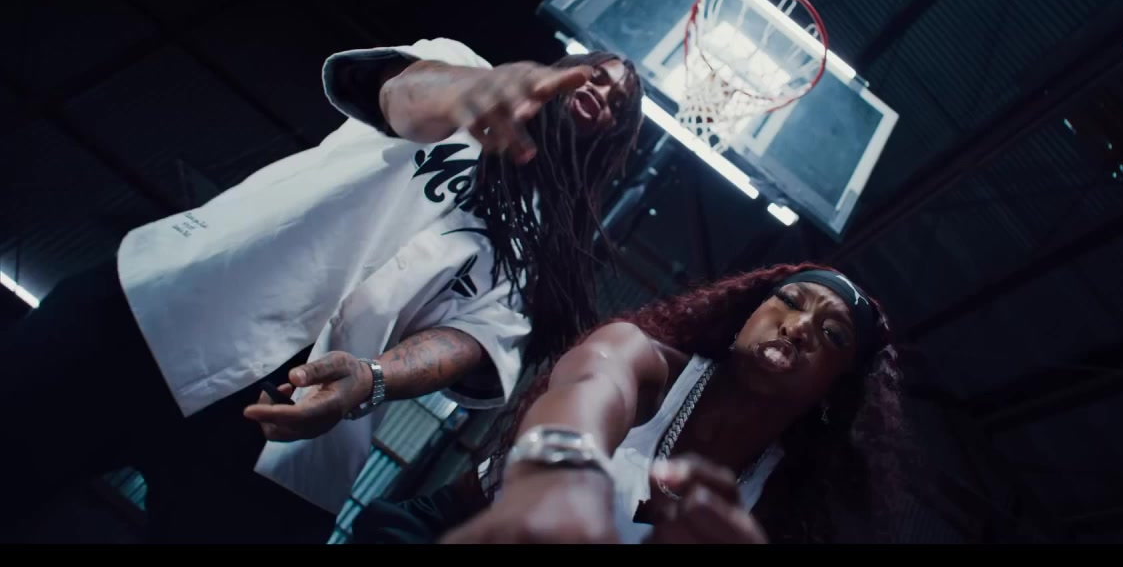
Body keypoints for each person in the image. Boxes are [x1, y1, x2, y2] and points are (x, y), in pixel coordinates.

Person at [0, 37, 641, 544]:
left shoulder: (542, 249)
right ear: (563, 70)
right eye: (596, 73)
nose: (601, 90)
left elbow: (471, 337)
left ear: (613, 138)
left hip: (302, 427)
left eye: (617, 98)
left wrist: (373, 378)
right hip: (172, 312)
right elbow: (402, 93)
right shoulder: (459, 70)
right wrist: (473, 89)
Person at [391, 262, 907, 544]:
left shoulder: (780, 502)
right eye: (790, 302)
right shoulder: (644, 360)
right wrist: (560, 476)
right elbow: (590, 386)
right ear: (746, 318)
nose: (797, 327)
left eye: (832, 333)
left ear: (834, 390)